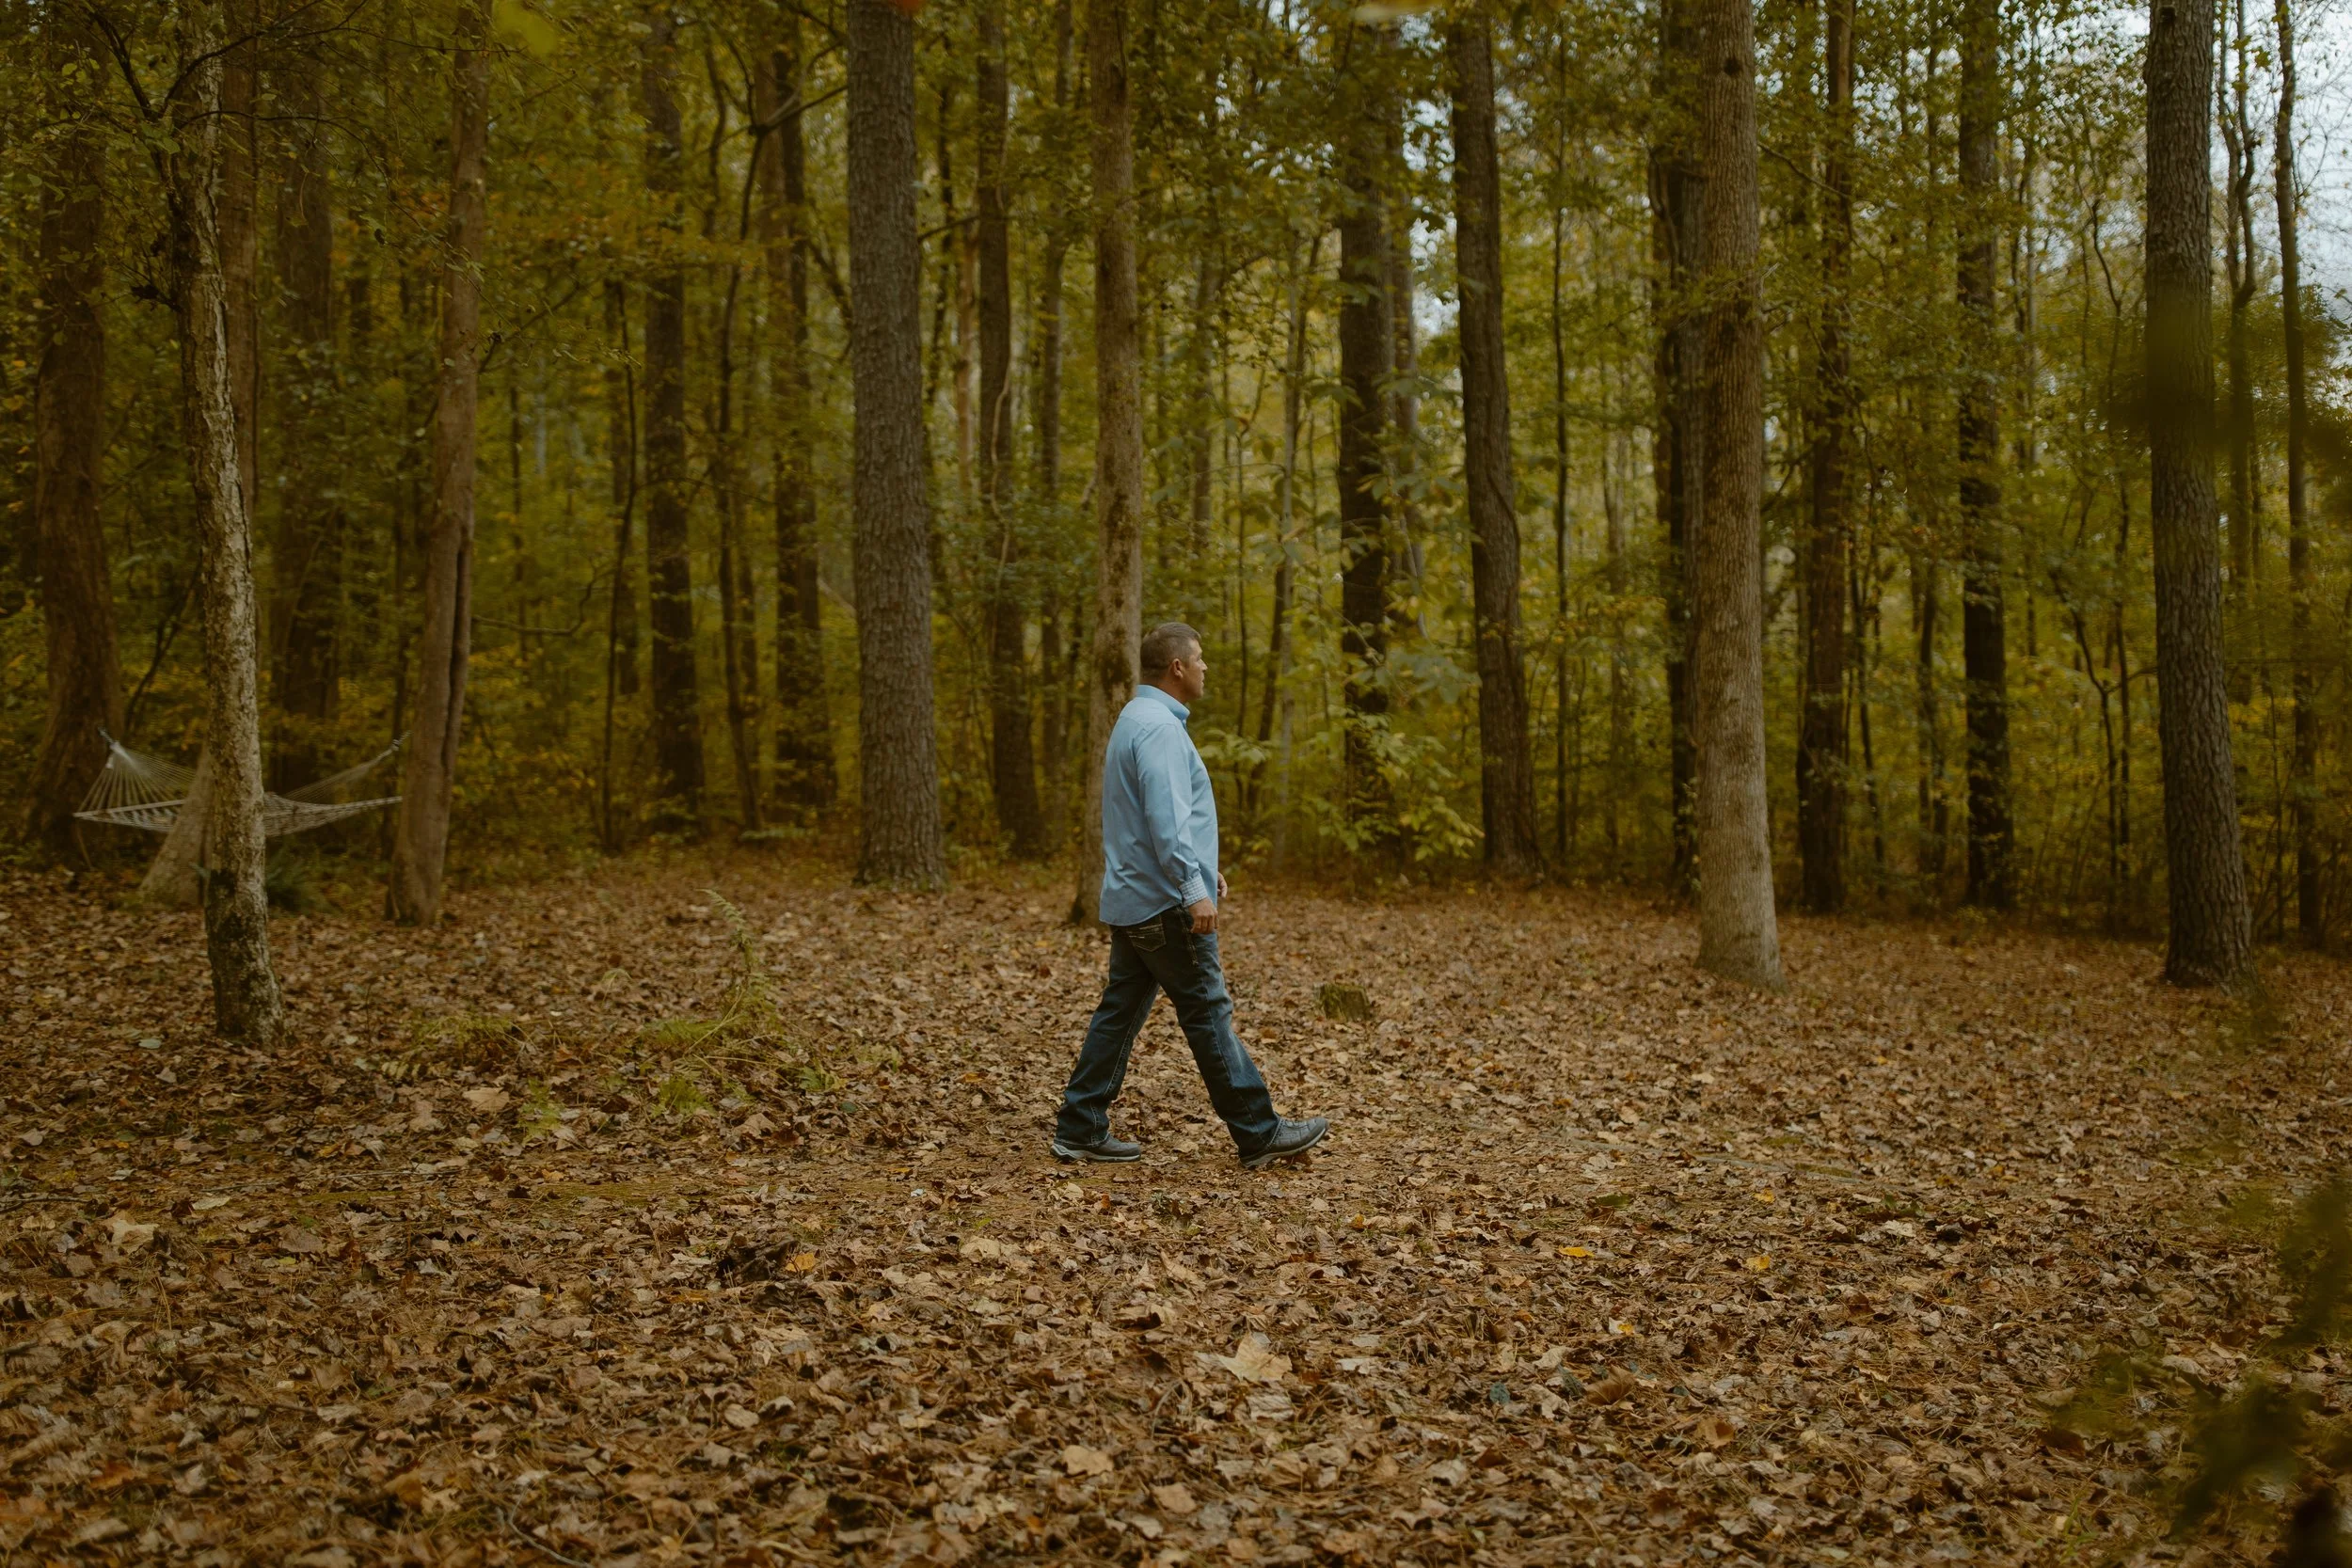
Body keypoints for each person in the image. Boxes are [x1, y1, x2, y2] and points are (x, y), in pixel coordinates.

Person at [1053, 622, 1329, 1169]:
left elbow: (1151, 822)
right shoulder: (1158, 728)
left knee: (1120, 1012)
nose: (1206, 668)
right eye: (1199, 659)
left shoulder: (1137, 717)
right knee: (1207, 1011)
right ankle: (1258, 1130)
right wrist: (1192, 887)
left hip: (1138, 897)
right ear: (1177, 667)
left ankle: (1080, 1126)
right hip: (1163, 904)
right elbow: (1165, 820)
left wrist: (1205, 872)